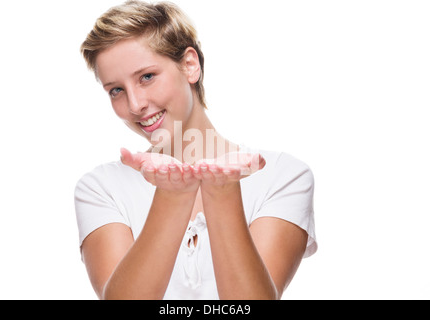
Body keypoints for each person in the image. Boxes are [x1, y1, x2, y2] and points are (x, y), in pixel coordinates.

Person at [75, 0, 317, 300]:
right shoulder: (101, 188)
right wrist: (172, 196)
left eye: (147, 77)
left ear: (190, 65)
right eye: (116, 90)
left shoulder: (283, 176)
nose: (135, 104)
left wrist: (223, 193)